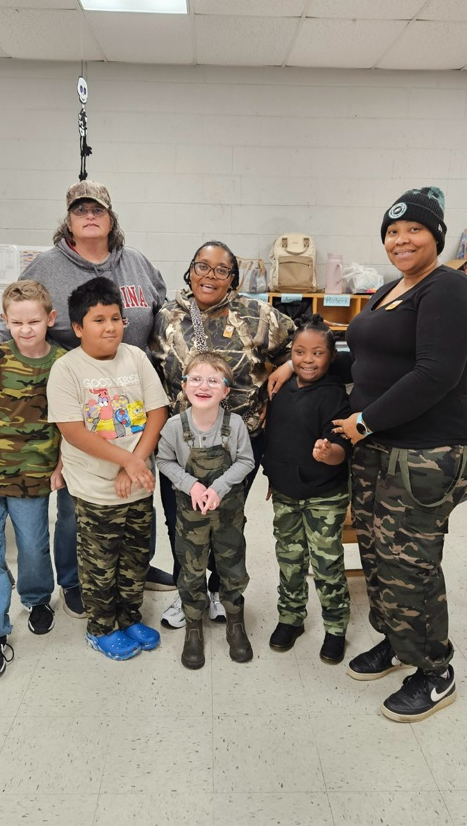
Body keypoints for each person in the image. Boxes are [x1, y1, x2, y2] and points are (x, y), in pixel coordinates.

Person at [0, 180, 171, 621]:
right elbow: (17, 312)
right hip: (78, 399)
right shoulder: (46, 265)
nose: (89, 215)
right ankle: (75, 578)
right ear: (68, 219)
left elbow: (166, 311)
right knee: (76, 502)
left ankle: (136, 565)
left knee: (139, 490)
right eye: (79, 209)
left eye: (97, 209)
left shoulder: (137, 262)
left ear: (110, 216)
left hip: (133, 400)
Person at [333, 186, 467, 723]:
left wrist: (365, 420)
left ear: (436, 236)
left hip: (428, 448)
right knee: (376, 554)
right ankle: (398, 644)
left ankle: (435, 670)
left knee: (411, 563)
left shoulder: (450, 290)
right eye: (392, 232)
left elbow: (436, 374)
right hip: (378, 447)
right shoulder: (390, 290)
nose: (401, 240)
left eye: (413, 230)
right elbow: (364, 355)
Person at [150, 240, 294, 631]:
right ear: (189, 269)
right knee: (180, 521)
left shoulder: (255, 313)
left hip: (240, 440)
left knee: (225, 521)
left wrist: (289, 366)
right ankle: (187, 593)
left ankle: (216, 590)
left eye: (221, 270)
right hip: (182, 443)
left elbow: (303, 343)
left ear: (232, 278)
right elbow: (150, 371)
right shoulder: (166, 318)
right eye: (202, 266)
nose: (210, 276)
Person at [46, 277, 168, 661]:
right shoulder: (67, 370)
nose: (110, 327)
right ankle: (100, 627)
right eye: (98, 320)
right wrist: (126, 461)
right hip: (97, 487)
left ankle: (130, 617)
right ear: (79, 327)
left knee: (135, 557)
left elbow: (157, 412)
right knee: (101, 561)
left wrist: (135, 463)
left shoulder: (136, 357)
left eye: (115, 318)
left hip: (137, 482)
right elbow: (73, 431)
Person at [0, 280, 66, 680]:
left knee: (33, 545)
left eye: (34, 321)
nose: (26, 329)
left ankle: (38, 599)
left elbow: (64, 421)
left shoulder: (61, 362)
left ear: (50, 319)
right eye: (17, 322)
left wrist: (58, 466)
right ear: (5, 321)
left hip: (35, 472)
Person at [263, 314, 352, 665]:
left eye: (317, 353)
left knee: (327, 563)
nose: (308, 360)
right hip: (286, 492)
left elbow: (342, 447)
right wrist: (273, 475)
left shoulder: (333, 397)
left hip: (324, 495)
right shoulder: (279, 388)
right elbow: (276, 439)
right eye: (300, 352)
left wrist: (330, 454)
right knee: (289, 559)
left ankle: (335, 627)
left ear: (331, 357)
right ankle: (290, 618)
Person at [157, 353, 255, 669]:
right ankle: (194, 626)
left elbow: (246, 461)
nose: (204, 386)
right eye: (196, 379)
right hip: (190, 515)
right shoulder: (174, 426)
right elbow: (164, 461)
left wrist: (218, 488)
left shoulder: (235, 424)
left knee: (232, 565)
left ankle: (235, 622)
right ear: (184, 386)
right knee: (191, 567)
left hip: (227, 513)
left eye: (213, 380)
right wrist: (193, 486)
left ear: (226, 391)